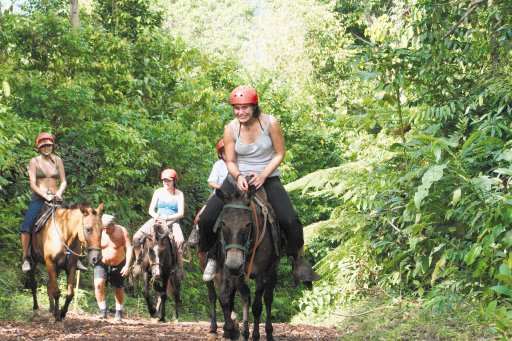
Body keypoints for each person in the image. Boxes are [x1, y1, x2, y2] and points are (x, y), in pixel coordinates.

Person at [199, 85, 319, 286]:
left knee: (289, 219)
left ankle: (298, 261)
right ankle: (212, 257)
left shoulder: (271, 123)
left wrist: (264, 174)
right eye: (236, 108)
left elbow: (280, 153)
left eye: (245, 107)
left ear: (255, 106)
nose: (241, 112)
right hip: (237, 178)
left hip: (267, 177)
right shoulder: (230, 128)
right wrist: (237, 176)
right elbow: (229, 161)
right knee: (206, 218)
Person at [20, 132, 86, 272]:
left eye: (48, 145)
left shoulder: (58, 160)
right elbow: (32, 184)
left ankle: (77, 258)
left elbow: (63, 181)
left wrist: (59, 193)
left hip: (57, 197)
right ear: (39, 147)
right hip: (39, 198)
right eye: (43, 146)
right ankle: (25, 257)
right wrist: (45, 195)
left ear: (52, 146)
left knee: (75, 221)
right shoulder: (34, 161)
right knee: (26, 226)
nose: (46, 148)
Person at [132, 169, 185, 276]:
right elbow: (150, 210)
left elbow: (181, 213)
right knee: (136, 237)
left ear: (174, 181)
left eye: (169, 181)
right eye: (164, 181)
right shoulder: (158, 192)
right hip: (156, 219)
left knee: (180, 240)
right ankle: (137, 261)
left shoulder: (179, 194)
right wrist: (157, 216)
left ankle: (179, 267)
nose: (166, 183)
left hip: (172, 221)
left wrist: (168, 217)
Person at [188, 139, 229, 247]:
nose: (227, 153)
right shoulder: (219, 164)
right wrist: (222, 188)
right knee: (203, 214)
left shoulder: (238, 163)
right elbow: (211, 181)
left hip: (235, 194)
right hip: (219, 194)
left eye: (229, 150)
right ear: (221, 154)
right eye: (224, 152)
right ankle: (196, 230)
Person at [94, 214, 133, 322]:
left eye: (108, 228)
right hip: (102, 263)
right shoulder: (99, 231)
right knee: (98, 285)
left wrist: (127, 265)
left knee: (118, 288)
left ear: (113, 225)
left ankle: (118, 312)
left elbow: (129, 248)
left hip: (118, 264)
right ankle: (103, 311)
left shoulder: (122, 231)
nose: (106, 230)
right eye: (104, 228)